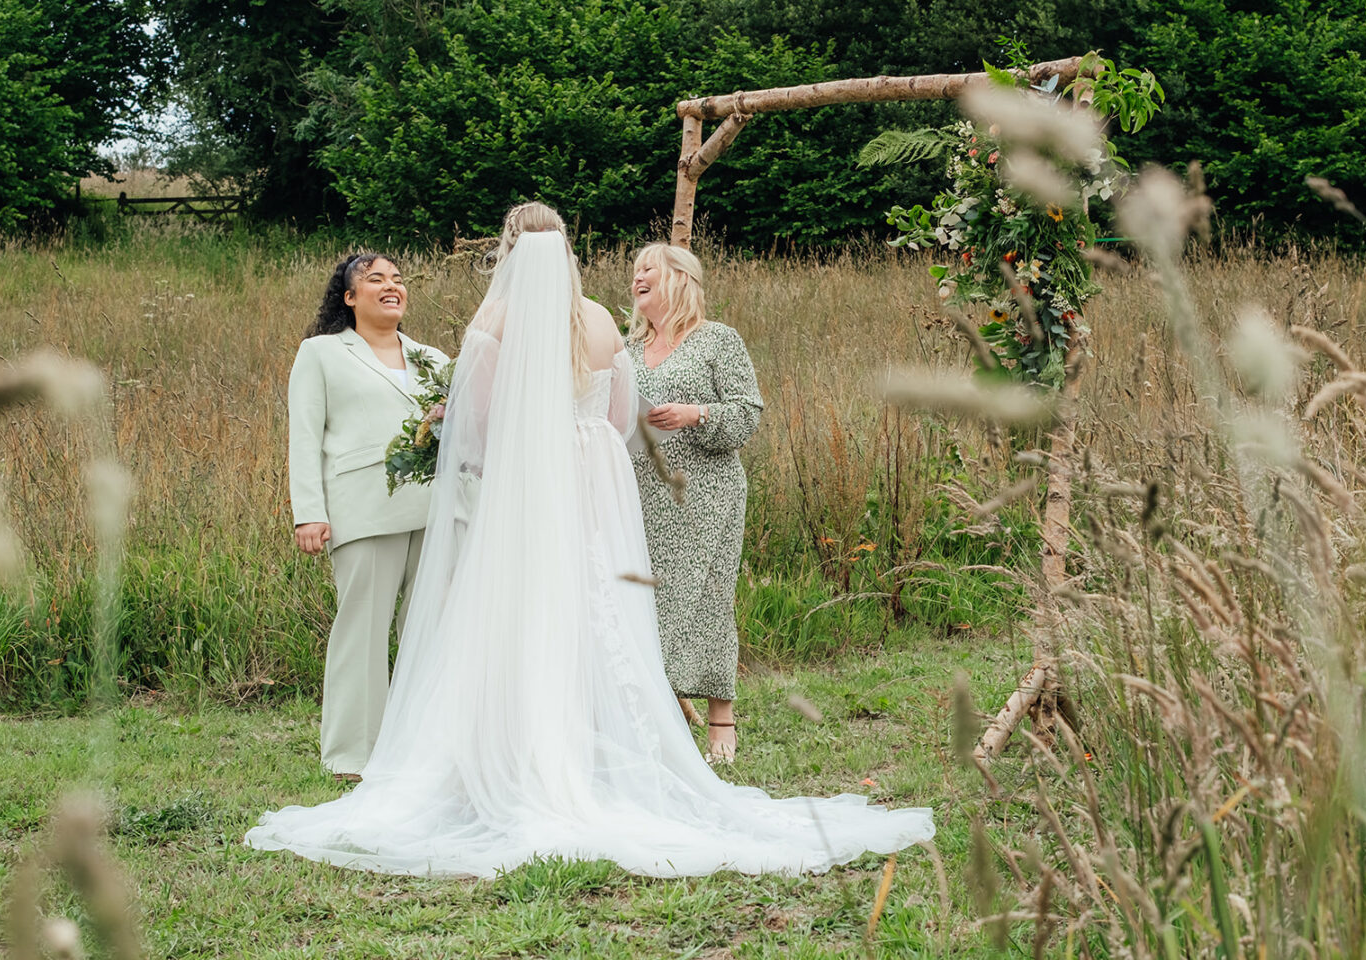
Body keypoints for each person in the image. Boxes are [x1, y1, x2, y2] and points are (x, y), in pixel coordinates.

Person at [246, 203, 933, 878]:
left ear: (509, 254)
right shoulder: (602, 321)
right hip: (591, 482)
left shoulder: (495, 318)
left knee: (518, 611)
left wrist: (473, 437)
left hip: (527, 482)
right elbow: (620, 417)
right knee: (589, 608)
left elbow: (476, 428)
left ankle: (513, 755)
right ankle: (599, 750)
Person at [288, 253, 449, 779]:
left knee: (428, 629)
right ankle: (354, 756)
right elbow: (305, 438)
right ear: (350, 296)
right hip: (361, 509)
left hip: (433, 509)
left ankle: (424, 746)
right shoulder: (321, 354)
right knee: (363, 628)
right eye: (375, 279)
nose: (391, 287)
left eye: (398, 280)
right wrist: (308, 512)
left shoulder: (434, 359)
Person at [628, 243, 761, 764]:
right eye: (634, 272)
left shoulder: (717, 341)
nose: (637, 278)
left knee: (704, 596)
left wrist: (698, 414)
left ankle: (721, 718)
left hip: (706, 490)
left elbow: (747, 414)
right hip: (639, 490)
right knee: (646, 602)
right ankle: (665, 706)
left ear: (680, 279)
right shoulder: (626, 347)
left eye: (648, 271)